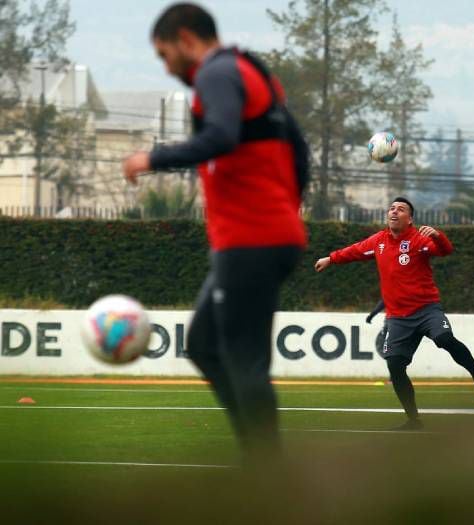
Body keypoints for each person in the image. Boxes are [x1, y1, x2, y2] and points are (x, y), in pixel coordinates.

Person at [122, 3, 307, 455]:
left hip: (252, 239)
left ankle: (270, 478)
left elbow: (221, 136)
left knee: (244, 362)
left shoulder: (216, 73)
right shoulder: (251, 70)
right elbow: (299, 150)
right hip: (267, 234)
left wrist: (153, 158)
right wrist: (285, 206)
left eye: (165, 56)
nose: (168, 69)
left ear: (186, 39)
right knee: (204, 344)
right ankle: (262, 461)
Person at [315, 197, 474, 430]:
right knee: (394, 366)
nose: (394, 211)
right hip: (398, 318)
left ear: (409, 218)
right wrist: (330, 258)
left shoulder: (418, 239)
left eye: (400, 209)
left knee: (444, 339)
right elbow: (354, 251)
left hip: (426, 309)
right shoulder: (378, 241)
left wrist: (438, 236)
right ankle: (414, 420)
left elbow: (444, 251)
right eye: (391, 208)